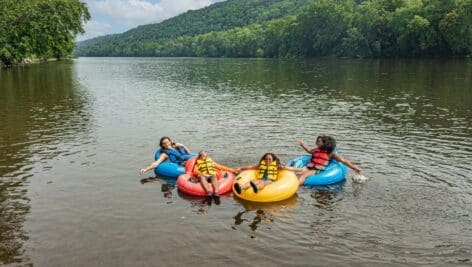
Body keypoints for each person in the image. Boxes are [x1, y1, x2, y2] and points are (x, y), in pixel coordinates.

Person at [296, 136, 361, 185]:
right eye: (317, 141)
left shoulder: (331, 153)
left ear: (325, 143)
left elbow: (343, 160)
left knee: (303, 175)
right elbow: (309, 150)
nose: (316, 143)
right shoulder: (317, 149)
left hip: (317, 169)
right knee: (297, 173)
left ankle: (295, 186)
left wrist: (354, 168)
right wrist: (302, 145)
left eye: (319, 141)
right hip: (310, 166)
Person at [233, 153, 301, 194]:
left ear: (273, 159)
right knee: (252, 181)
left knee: (263, 183)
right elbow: (250, 167)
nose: (267, 160)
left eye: (269, 159)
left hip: (270, 181)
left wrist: (300, 170)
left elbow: (288, 168)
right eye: (266, 159)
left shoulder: (277, 166)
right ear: (264, 159)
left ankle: (257, 187)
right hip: (261, 179)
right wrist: (241, 168)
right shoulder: (261, 165)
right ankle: (240, 188)